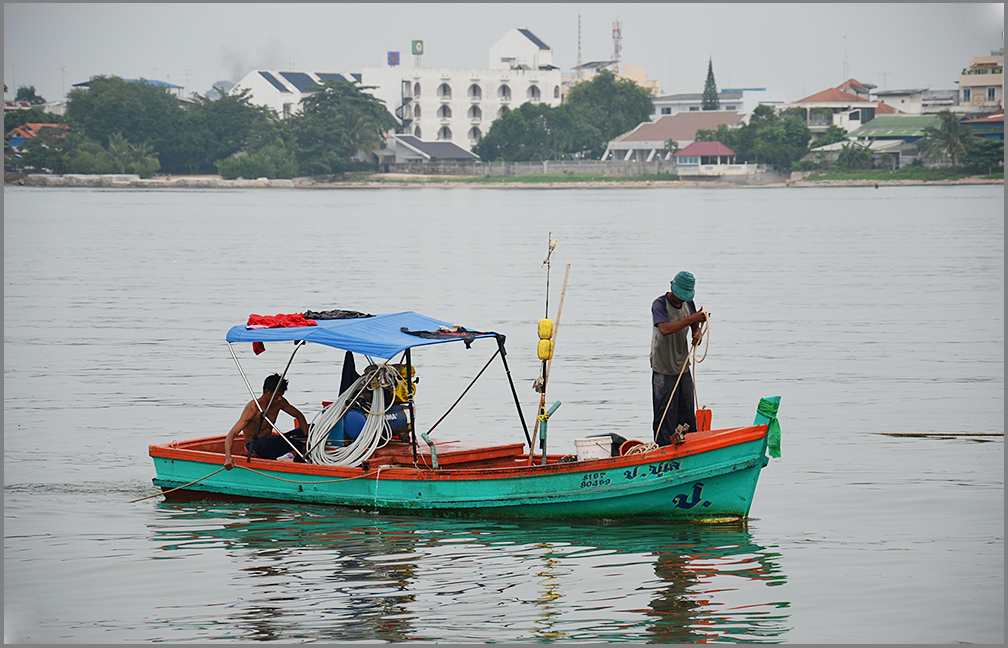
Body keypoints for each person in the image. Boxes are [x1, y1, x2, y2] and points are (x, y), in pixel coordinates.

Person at [651, 271, 707, 446]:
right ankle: (662, 451)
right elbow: (665, 329)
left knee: (686, 412)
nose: (681, 300)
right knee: (664, 416)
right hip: (663, 367)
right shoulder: (659, 304)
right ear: (672, 288)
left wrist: (697, 332)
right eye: (679, 295)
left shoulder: (688, 303)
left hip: (682, 366)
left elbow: (694, 326)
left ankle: (688, 449)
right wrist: (691, 319)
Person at [224, 373, 310, 469]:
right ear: (267, 392)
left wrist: (306, 438)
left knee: (311, 428)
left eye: (281, 395)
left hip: (271, 443)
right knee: (264, 443)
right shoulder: (253, 408)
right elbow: (232, 434)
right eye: (277, 395)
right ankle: (275, 466)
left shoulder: (280, 403)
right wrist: (228, 457)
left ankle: (300, 461)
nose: (279, 398)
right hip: (256, 447)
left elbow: (299, 415)